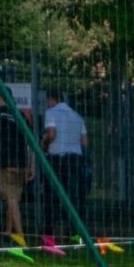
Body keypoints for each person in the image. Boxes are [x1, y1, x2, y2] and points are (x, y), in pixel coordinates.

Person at [41, 90, 87, 235]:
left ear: (51, 99)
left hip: (57, 159)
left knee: (50, 196)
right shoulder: (77, 116)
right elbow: (84, 141)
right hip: (75, 160)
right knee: (72, 197)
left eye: (47, 101)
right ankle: (74, 233)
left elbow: (51, 133)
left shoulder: (51, 112)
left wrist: (44, 143)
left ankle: (49, 234)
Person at [0, 92, 33, 239]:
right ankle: (8, 231)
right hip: (22, 163)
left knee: (11, 199)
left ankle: (20, 236)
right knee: (14, 198)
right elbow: (30, 142)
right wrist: (32, 166)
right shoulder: (20, 115)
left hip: (6, 161)